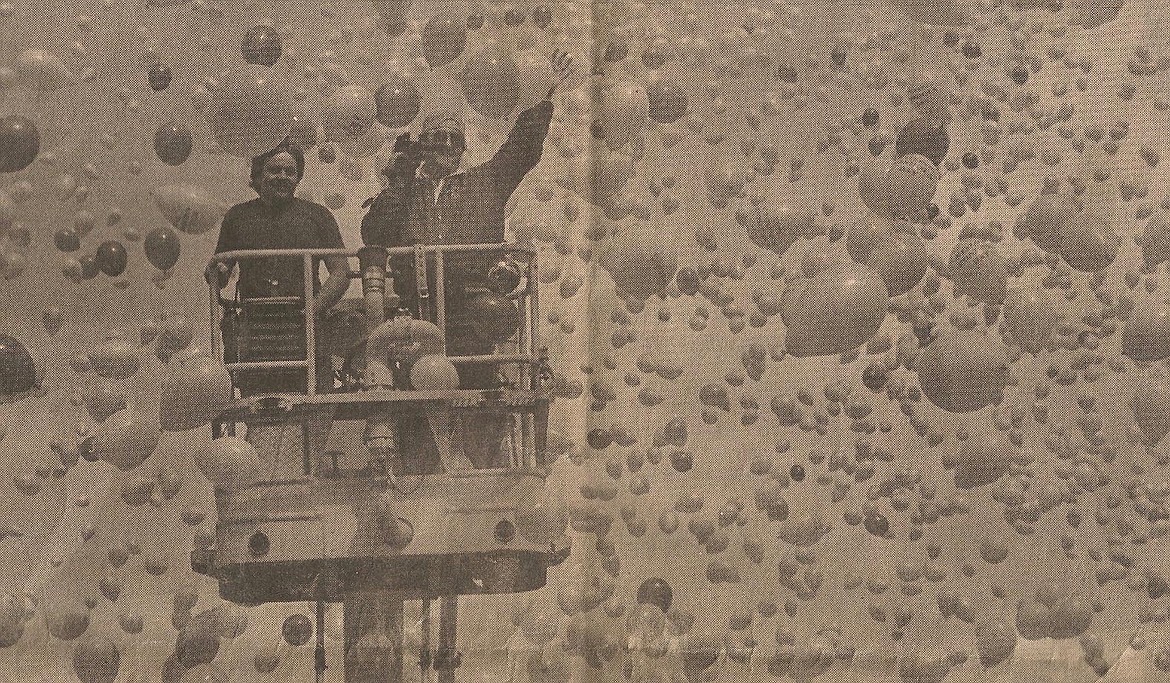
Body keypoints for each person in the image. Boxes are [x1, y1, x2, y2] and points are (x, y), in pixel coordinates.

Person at [360, 49, 575, 468]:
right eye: (434, 139)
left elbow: (522, 148)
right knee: (417, 417)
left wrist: (545, 92)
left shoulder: (484, 184)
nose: (444, 146)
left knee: (478, 407)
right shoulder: (406, 193)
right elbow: (374, 234)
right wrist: (396, 180)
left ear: (462, 148)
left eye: (452, 140)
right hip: (415, 321)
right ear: (422, 148)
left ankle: (482, 471)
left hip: (473, 318)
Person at [208, 141, 351, 395]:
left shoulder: (318, 216)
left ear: (298, 177)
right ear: (259, 174)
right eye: (275, 170)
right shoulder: (237, 217)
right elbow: (221, 270)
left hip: (305, 325)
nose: (283, 177)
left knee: (314, 402)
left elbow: (340, 272)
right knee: (259, 406)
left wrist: (313, 309)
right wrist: (216, 273)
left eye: (290, 172)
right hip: (255, 329)